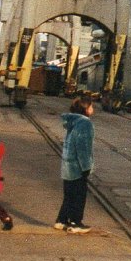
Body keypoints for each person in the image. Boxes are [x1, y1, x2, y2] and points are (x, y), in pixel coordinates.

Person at [55, 98, 95, 234]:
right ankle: (75, 222)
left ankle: (61, 221)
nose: (93, 109)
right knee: (79, 195)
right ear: (85, 109)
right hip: (78, 166)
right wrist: (86, 167)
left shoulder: (73, 121)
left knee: (69, 194)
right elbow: (83, 147)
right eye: (91, 107)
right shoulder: (85, 123)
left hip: (67, 165)